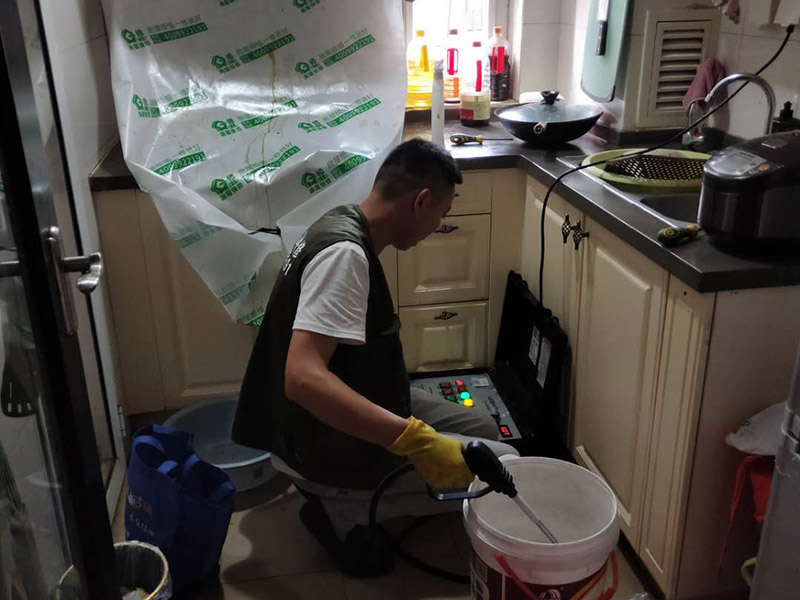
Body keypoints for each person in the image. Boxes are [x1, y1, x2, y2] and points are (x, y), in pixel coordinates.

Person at [233, 139, 517, 574]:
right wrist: (415, 440)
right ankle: (341, 509)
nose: (436, 227)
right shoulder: (345, 256)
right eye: (441, 215)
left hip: (336, 408)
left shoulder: (343, 222)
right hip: (314, 440)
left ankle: (367, 493)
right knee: (502, 466)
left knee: (482, 432)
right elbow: (303, 378)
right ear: (421, 201)